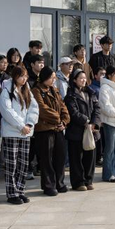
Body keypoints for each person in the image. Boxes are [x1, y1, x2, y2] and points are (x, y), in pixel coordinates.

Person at [0, 66, 39, 204]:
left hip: (25, 133)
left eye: (25, 76)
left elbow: (34, 108)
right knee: (12, 164)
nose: (24, 79)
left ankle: (20, 191)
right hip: (12, 132)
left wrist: (29, 124)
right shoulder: (7, 90)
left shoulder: (27, 90)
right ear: (15, 76)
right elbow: (7, 111)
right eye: (21, 76)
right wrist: (21, 126)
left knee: (23, 164)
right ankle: (12, 193)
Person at [32, 67, 70, 196]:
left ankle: (59, 183)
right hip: (44, 129)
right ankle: (48, 185)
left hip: (57, 128)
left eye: (54, 78)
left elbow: (63, 106)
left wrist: (64, 121)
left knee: (60, 157)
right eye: (51, 77)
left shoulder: (54, 90)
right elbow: (42, 109)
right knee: (46, 159)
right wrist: (58, 118)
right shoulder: (36, 90)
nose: (53, 80)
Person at [64, 70, 100, 191]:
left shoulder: (90, 92)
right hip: (77, 130)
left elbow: (97, 109)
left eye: (85, 78)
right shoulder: (70, 95)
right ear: (74, 80)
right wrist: (86, 121)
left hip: (90, 130)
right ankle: (78, 182)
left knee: (90, 156)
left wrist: (94, 123)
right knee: (76, 159)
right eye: (80, 78)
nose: (83, 80)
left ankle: (88, 180)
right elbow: (73, 112)